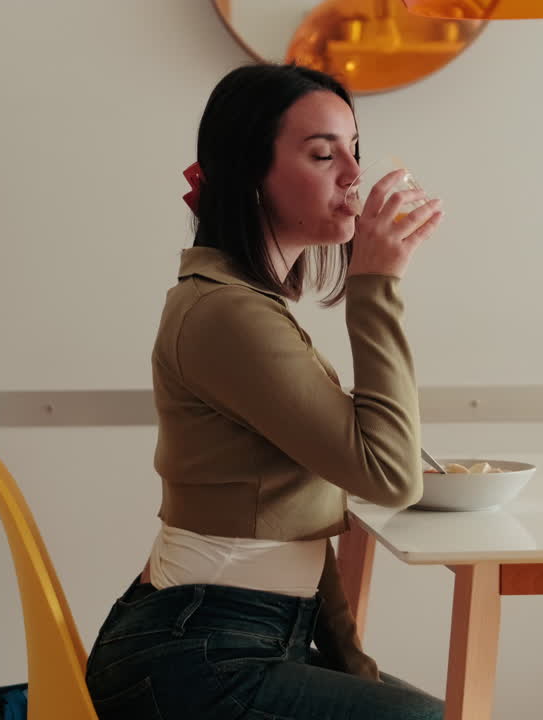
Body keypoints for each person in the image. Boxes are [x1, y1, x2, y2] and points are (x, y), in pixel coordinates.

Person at [84, 62, 445, 720]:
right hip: (195, 655)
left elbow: (303, 525)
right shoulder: (227, 316)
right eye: (321, 154)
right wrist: (376, 286)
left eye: (354, 151)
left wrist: (356, 667)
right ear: (252, 170)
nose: (353, 175)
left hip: (233, 639)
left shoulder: (245, 307)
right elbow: (389, 476)